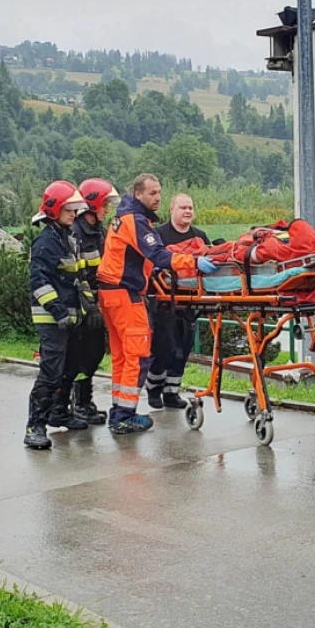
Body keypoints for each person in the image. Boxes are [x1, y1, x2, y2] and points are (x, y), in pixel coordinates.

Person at [96, 174, 217, 435]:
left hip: (112, 293)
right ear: (138, 194)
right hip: (126, 294)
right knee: (137, 356)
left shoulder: (125, 218)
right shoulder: (135, 221)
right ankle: (124, 417)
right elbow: (158, 255)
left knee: (122, 356)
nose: (158, 197)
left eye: (159, 192)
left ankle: (119, 411)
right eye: (152, 193)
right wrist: (193, 262)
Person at [23, 181, 95, 450]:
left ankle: (59, 413)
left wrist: (91, 307)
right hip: (51, 318)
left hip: (72, 315)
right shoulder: (46, 242)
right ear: (54, 210)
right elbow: (38, 282)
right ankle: (35, 426)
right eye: (69, 209)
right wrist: (58, 311)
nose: (74, 214)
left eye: (75, 209)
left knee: (72, 367)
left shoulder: (68, 237)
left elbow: (78, 277)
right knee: (51, 373)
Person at [146, 193, 211, 410]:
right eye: (183, 207)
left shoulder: (199, 236)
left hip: (190, 301)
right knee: (164, 348)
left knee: (182, 349)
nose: (188, 211)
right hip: (163, 301)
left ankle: (172, 392)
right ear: (172, 209)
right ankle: (154, 389)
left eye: (190, 208)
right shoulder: (159, 235)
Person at [69, 177, 121, 426]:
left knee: (95, 352)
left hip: (98, 302)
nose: (107, 210)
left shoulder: (99, 231)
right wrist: (88, 306)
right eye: (104, 205)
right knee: (82, 355)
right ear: (91, 204)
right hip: (82, 305)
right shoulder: (76, 232)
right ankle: (78, 403)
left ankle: (84, 401)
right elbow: (78, 275)